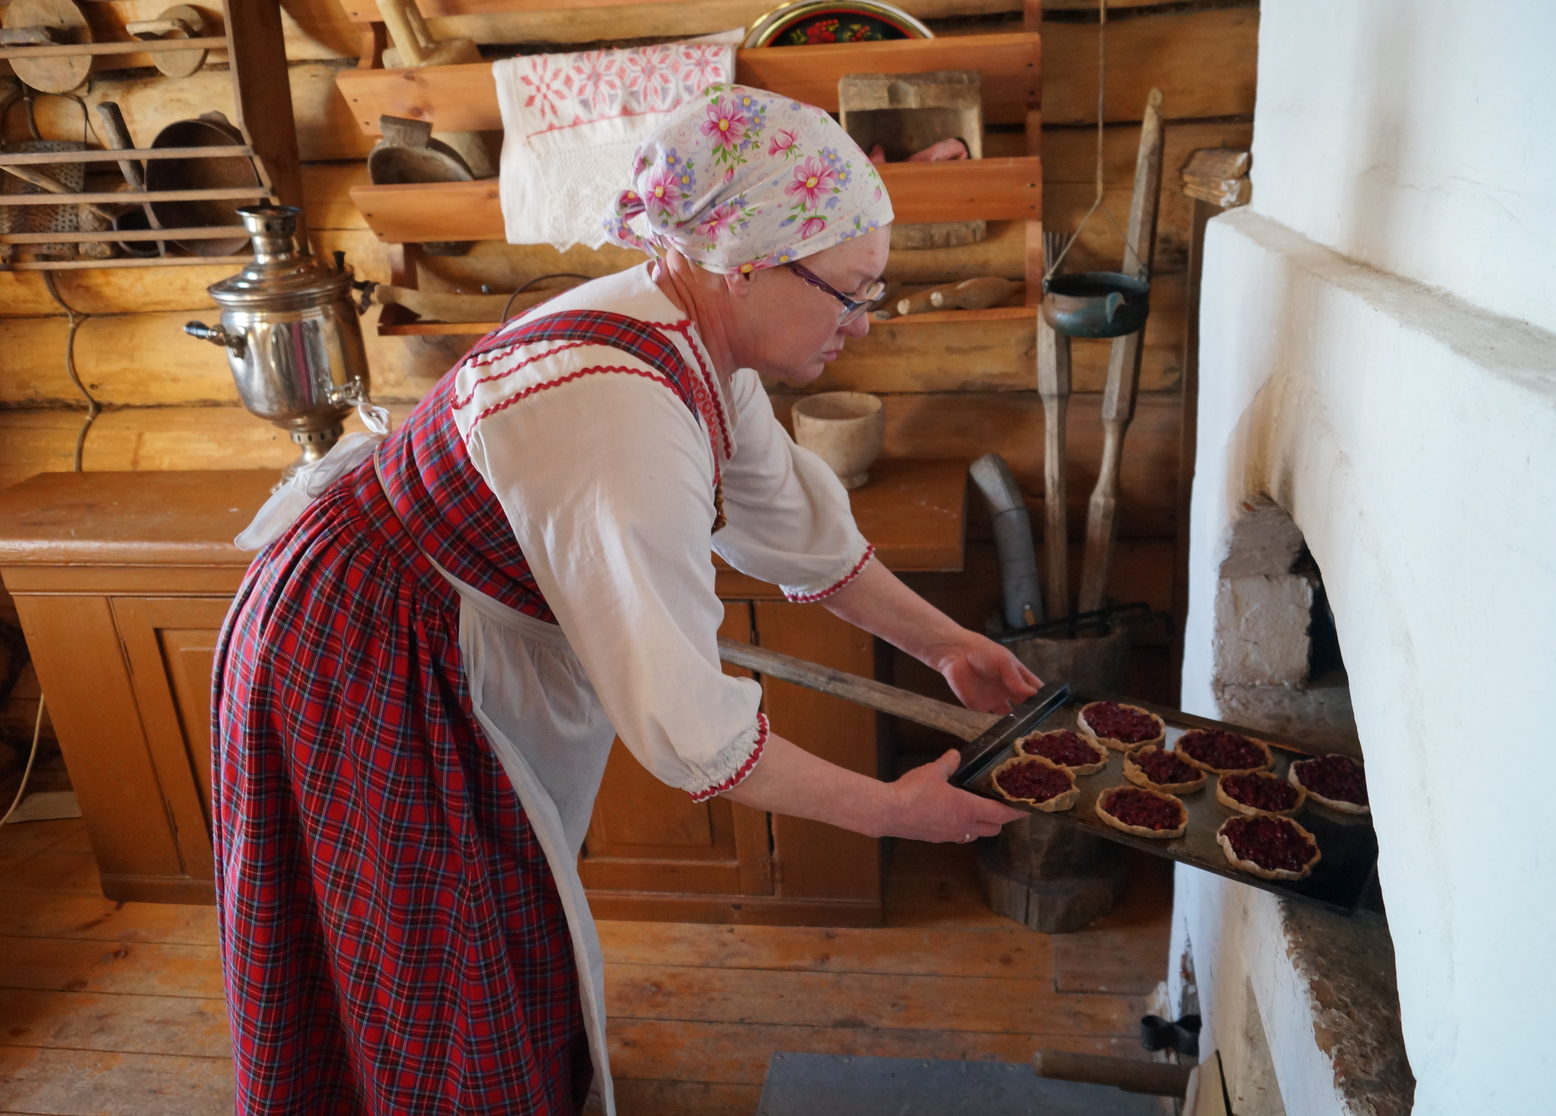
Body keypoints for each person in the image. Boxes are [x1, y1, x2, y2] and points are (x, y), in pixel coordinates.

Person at [211, 84, 1040, 1116]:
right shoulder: (618, 417)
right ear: (747, 258)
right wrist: (889, 811)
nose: (863, 327)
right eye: (851, 292)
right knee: (437, 950)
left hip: (410, 620)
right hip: (363, 646)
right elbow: (693, 733)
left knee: (495, 932)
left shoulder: (693, 333)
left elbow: (797, 533)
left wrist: (949, 644)